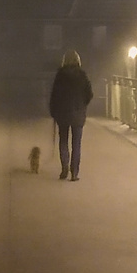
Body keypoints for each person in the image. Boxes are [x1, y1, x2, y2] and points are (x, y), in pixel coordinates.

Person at [48, 50, 94, 181]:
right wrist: (82, 104)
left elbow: (54, 95)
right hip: (78, 114)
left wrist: (53, 111)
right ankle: (74, 173)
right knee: (76, 144)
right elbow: (89, 94)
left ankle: (64, 169)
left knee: (63, 141)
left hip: (62, 114)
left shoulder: (60, 75)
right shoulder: (82, 75)